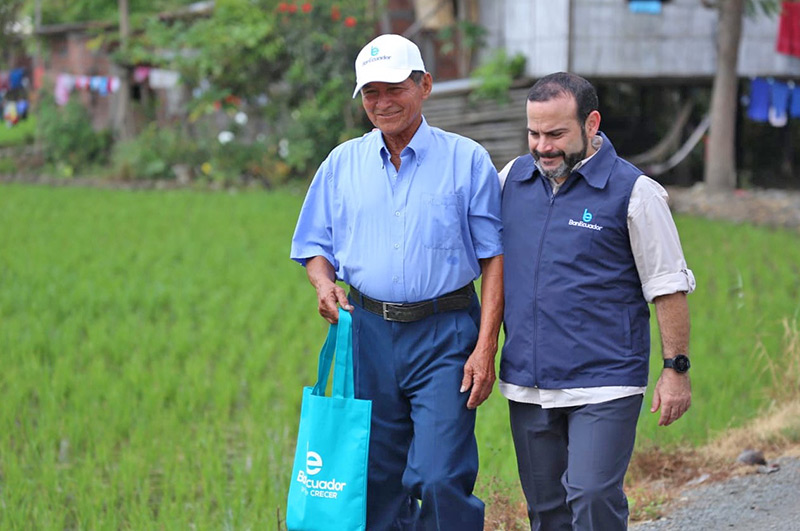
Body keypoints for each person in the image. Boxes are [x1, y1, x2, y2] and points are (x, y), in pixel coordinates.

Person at [290, 33, 503, 530]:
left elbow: (495, 260)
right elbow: (313, 247)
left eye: (394, 89)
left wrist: (486, 345)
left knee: (438, 476)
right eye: (370, 93)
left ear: (424, 85)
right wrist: (323, 284)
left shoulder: (467, 160)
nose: (382, 103)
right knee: (375, 479)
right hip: (366, 333)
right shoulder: (342, 163)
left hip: (446, 333)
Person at [498, 72, 695, 530]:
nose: (543, 146)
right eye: (534, 133)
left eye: (556, 134)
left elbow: (667, 284)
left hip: (605, 378)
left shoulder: (636, 192)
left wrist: (676, 369)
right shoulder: (510, 178)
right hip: (528, 379)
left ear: (591, 124)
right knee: (546, 512)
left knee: (591, 495)